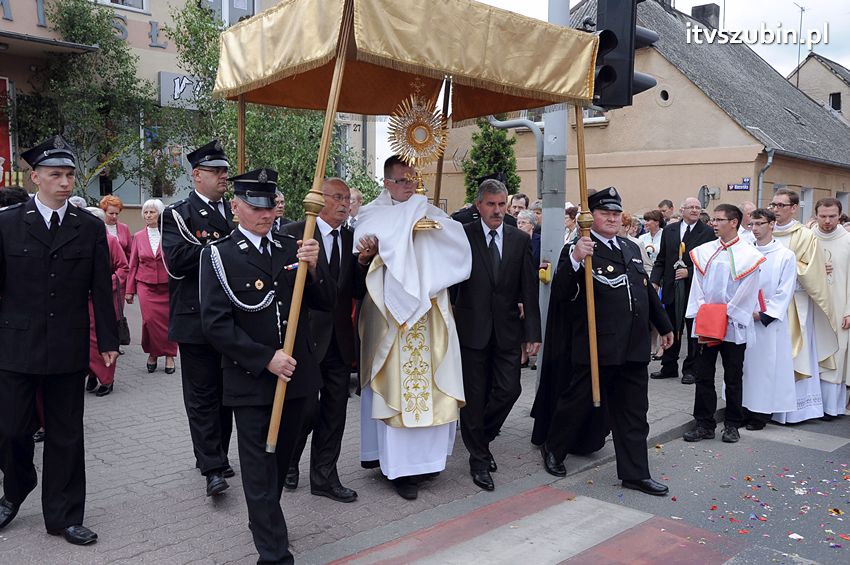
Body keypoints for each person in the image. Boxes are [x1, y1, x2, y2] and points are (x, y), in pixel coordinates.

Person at [199, 167, 334, 565]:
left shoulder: (293, 247)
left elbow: (326, 302)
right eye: (255, 207)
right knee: (258, 467)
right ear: (236, 207)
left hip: (296, 377)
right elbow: (215, 324)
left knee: (277, 462)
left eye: (269, 206)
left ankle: (263, 519)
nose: (265, 214)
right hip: (252, 379)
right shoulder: (219, 255)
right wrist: (265, 358)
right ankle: (274, 554)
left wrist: (317, 267)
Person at [0, 135, 118, 545]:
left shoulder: (89, 227)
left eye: (69, 174)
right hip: (15, 344)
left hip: (68, 344)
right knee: (10, 430)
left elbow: (100, 287)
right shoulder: (7, 223)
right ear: (35, 178)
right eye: (56, 175)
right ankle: (18, 484)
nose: (65, 182)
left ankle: (64, 516)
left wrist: (108, 340)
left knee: (66, 433)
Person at [538, 187, 672, 496]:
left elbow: (644, 289)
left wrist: (663, 324)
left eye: (615, 213)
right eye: (604, 213)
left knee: (634, 413)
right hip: (598, 346)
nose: (611, 219)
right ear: (591, 217)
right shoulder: (579, 249)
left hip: (634, 346)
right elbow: (561, 293)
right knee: (576, 403)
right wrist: (575, 258)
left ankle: (635, 473)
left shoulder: (630, 247)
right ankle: (554, 448)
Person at [356, 155, 471, 500]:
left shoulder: (430, 212)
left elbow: (456, 246)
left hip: (430, 314)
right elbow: (364, 243)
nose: (410, 185)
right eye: (402, 180)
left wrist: (429, 230)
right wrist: (382, 246)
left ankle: (429, 463)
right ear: (387, 183)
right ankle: (399, 469)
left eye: (413, 179)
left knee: (432, 388)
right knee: (395, 392)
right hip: (392, 319)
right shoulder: (374, 213)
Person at [453, 179, 541, 491]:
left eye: (502, 204)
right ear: (479, 205)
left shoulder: (518, 239)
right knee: (474, 398)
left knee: (509, 390)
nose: (498, 210)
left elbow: (529, 287)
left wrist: (532, 332)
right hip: (471, 330)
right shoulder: (463, 235)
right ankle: (478, 459)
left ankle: (481, 439)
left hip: (507, 331)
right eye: (491, 204)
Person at [161, 139, 236, 496]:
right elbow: (176, 262)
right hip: (195, 318)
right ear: (196, 175)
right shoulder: (178, 214)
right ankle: (212, 466)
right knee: (202, 395)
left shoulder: (236, 211)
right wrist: (223, 248)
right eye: (215, 171)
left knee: (226, 394)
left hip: (231, 317)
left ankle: (217, 453)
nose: (223, 176)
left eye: (225, 171)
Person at [283, 178, 364, 503]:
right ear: (321, 200)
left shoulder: (351, 238)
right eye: (337, 198)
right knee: (304, 410)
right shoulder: (295, 232)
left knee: (334, 412)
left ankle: (325, 477)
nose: (344, 204)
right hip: (305, 339)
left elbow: (355, 290)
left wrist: (363, 262)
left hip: (339, 340)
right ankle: (289, 461)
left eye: (347, 199)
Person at [683, 204, 764, 444]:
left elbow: (747, 292)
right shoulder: (704, 251)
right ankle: (704, 423)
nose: (714, 223)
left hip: (733, 325)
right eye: (714, 219)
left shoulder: (749, 254)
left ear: (734, 222)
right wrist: (705, 312)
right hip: (708, 324)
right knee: (703, 375)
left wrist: (725, 314)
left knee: (733, 376)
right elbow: (697, 286)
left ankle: (732, 424)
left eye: (719, 220)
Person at [770, 189, 837, 424]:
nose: (776, 209)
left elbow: (812, 272)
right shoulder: (764, 230)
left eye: (781, 205)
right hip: (767, 303)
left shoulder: (806, 236)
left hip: (796, 304)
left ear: (793, 208)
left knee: (794, 355)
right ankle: (767, 406)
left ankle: (796, 410)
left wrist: (783, 267)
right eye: (773, 204)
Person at [740, 208, 797, 430]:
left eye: (759, 224)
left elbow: (786, 290)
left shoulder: (785, 255)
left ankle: (761, 413)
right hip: (743, 318)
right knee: (743, 366)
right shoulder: (745, 251)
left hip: (767, 323)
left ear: (772, 224)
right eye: (752, 224)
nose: (754, 229)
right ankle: (742, 408)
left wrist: (764, 314)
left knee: (765, 368)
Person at [650, 197, 715, 383]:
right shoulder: (670, 230)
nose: (694, 210)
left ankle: (691, 369)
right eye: (691, 207)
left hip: (693, 290)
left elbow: (711, 262)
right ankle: (668, 366)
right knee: (669, 328)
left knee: (692, 332)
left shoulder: (707, 232)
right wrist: (655, 281)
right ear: (682, 210)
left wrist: (690, 272)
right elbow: (662, 259)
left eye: (697, 207)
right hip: (671, 288)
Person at [125, 199, 177, 374]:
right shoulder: (138, 236)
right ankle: (153, 353)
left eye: (152, 212)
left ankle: (169, 355)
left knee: (169, 321)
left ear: (160, 214)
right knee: (149, 321)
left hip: (167, 286)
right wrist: (129, 290)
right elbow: (133, 264)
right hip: (145, 285)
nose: (148, 215)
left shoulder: (170, 234)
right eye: (146, 212)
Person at [84, 207, 128, 397]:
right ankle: (91, 373)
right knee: (84, 341)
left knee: (101, 340)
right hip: (81, 300)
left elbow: (123, 268)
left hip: (103, 300)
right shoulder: (79, 241)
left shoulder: (110, 241)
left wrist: (104, 284)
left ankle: (107, 379)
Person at [811, 198, 849, 419]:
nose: (827, 221)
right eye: (823, 216)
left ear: (840, 215)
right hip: (812, 307)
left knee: (836, 354)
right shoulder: (808, 238)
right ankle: (810, 405)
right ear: (816, 215)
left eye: (832, 216)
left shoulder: (848, 240)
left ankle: (831, 407)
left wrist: (849, 310)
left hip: (839, 307)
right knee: (812, 354)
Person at [99, 195, 132, 261]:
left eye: (116, 213)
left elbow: (130, 252)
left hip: (122, 265)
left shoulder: (124, 228)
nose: (114, 216)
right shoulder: (99, 228)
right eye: (111, 213)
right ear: (103, 212)